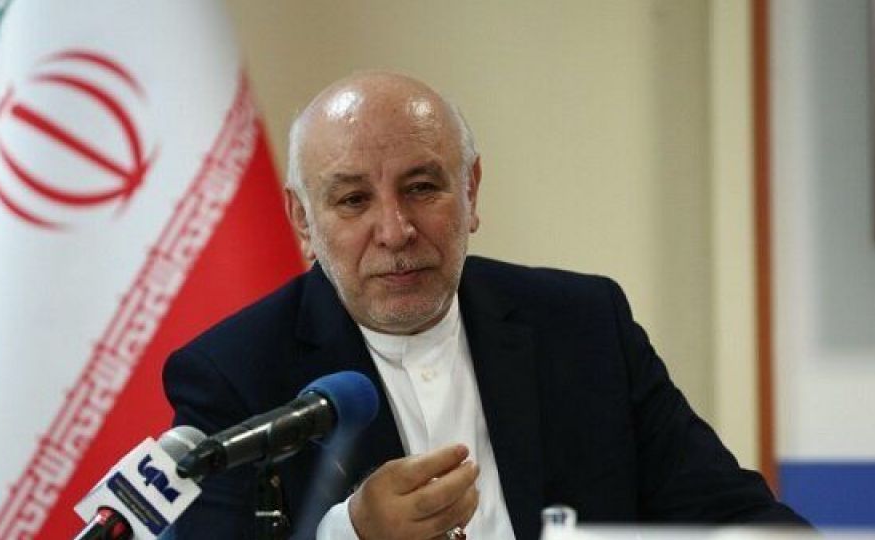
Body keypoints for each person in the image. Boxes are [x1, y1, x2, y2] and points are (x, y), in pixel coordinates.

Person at [163, 72, 808, 540]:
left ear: (470, 191)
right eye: (354, 201)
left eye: (422, 188)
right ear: (303, 220)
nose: (395, 231)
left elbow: (734, 516)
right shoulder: (233, 372)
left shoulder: (583, 325)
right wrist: (351, 533)